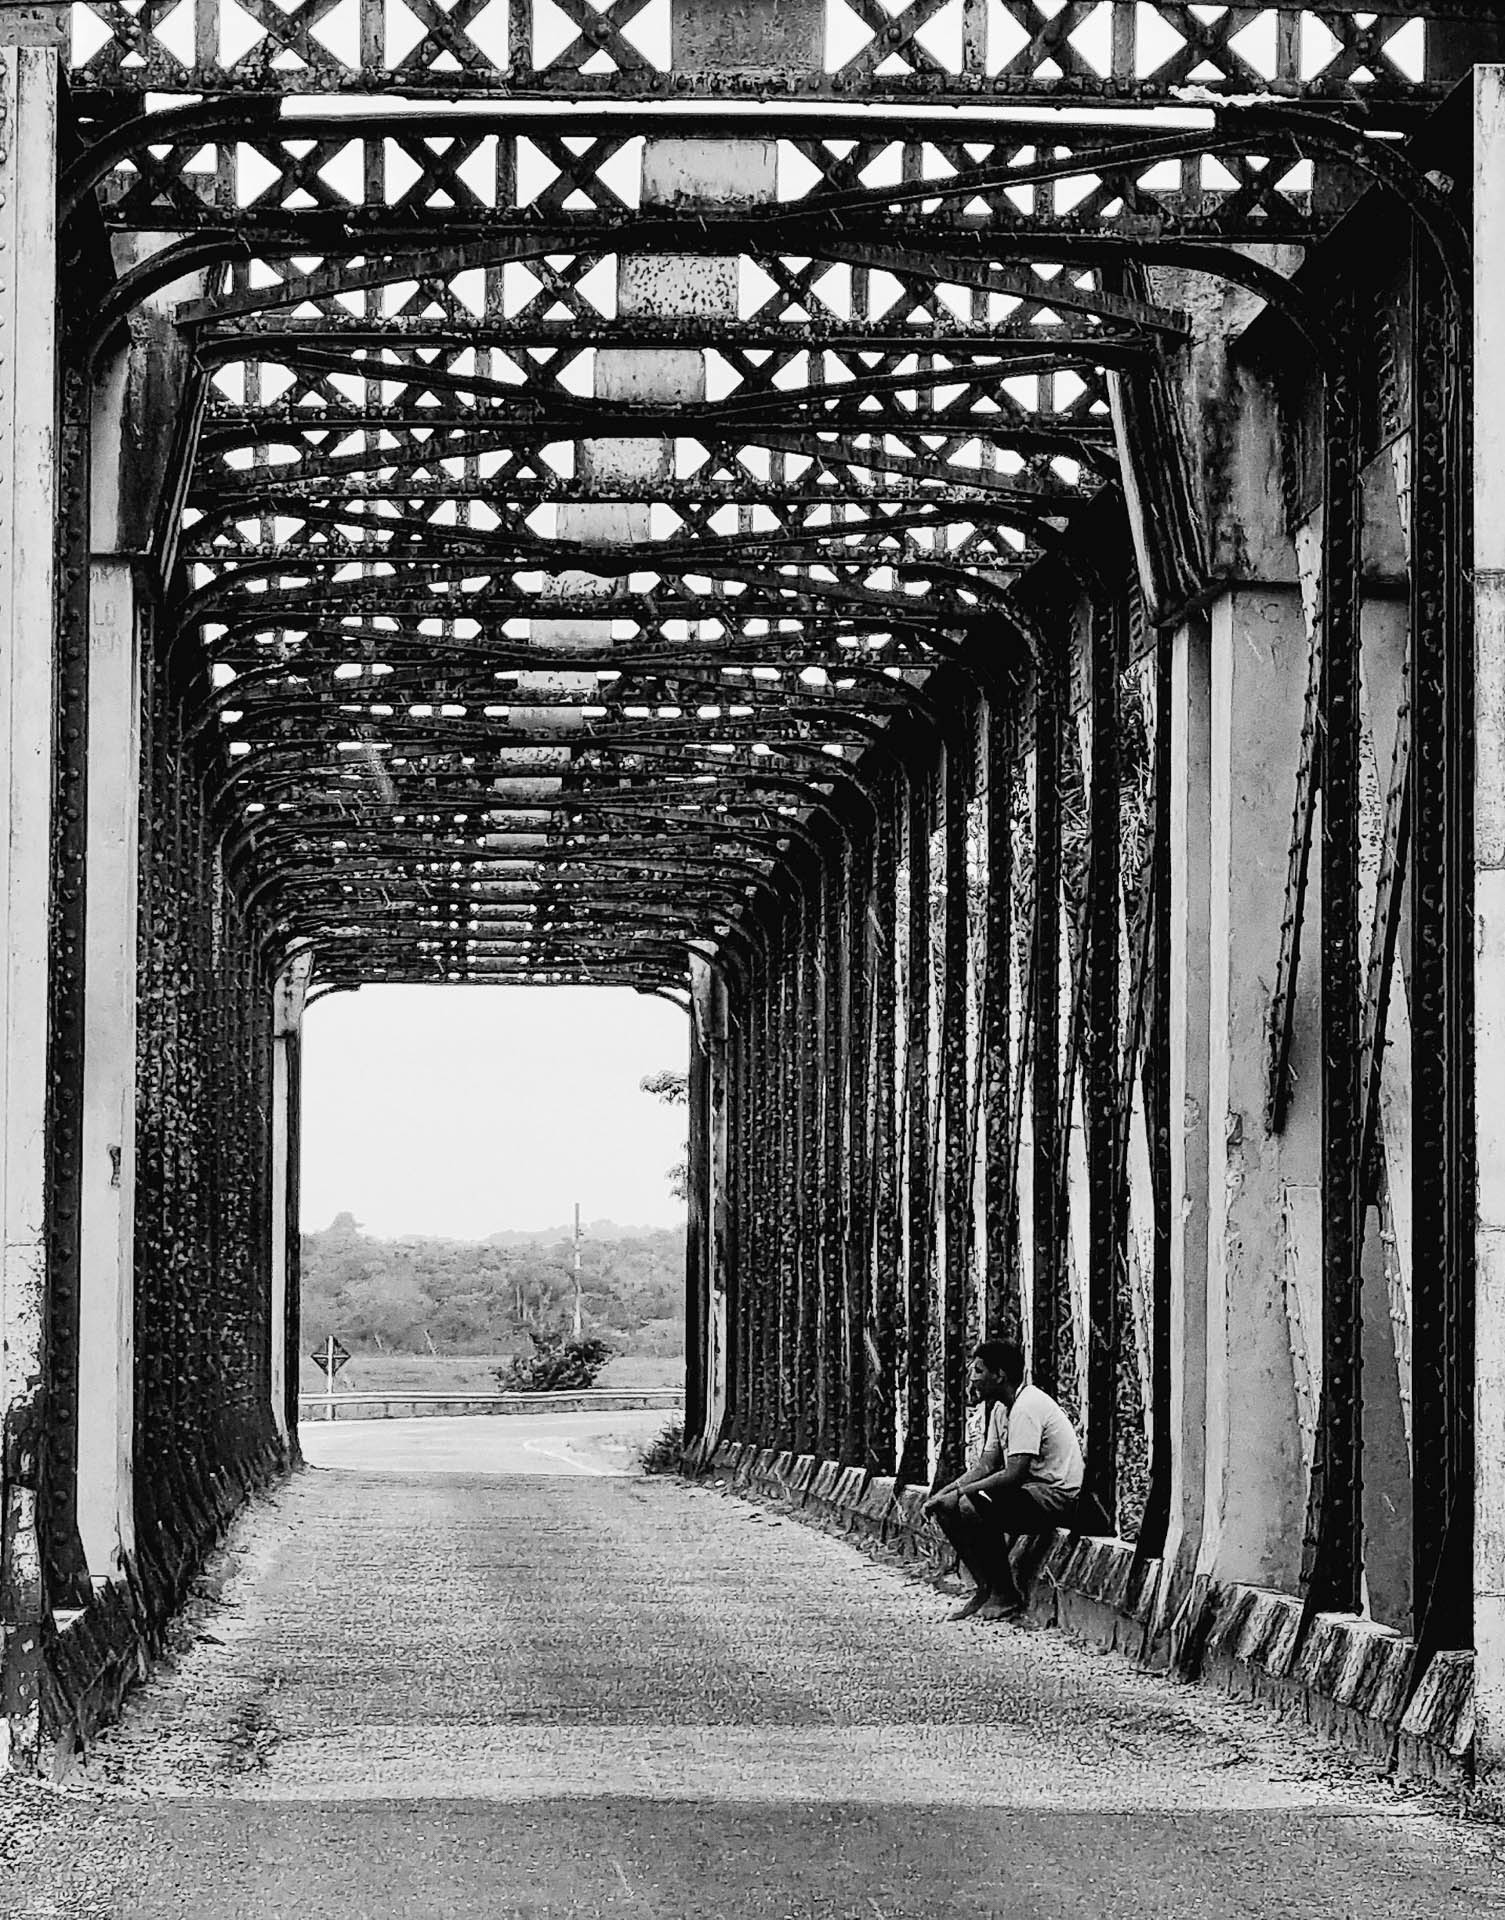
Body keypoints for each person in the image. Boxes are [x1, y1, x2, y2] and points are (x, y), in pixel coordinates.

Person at [921, 1339, 1084, 1622]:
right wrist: (943, 1494)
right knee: (946, 1508)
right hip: (1030, 1493)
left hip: (1056, 1497)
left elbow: (1013, 1473)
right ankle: (985, 1588)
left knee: (970, 1504)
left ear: (999, 1375)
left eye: (978, 1371)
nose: (972, 1378)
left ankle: (1005, 1594)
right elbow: (986, 1464)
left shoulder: (1026, 1406)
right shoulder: (1001, 1408)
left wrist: (960, 1493)